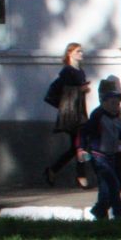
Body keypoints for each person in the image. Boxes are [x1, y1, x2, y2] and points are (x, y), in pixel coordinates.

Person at [81, 76, 121, 220]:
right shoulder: (98, 116)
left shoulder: (116, 118)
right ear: (104, 102)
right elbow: (84, 131)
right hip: (99, 156)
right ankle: (118, 215)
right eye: (113, 103)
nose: (117, 106)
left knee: (106, 188)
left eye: (118, 104)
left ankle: (100, 213)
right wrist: (81, 149)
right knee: (114, 184)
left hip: (111, 157)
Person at [43, 42, 91, 188]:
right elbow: (52, 93)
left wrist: (81, 91)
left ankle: (53, 170)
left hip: (80, 113)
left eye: (81, 51)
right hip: (72, 116)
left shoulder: (80, 71)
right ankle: (80, 176)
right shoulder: (67, 72)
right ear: (69, 53)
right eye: (78, 51)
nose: (81, 54)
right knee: (80, 145)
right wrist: (64, 106)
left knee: (76, 146)